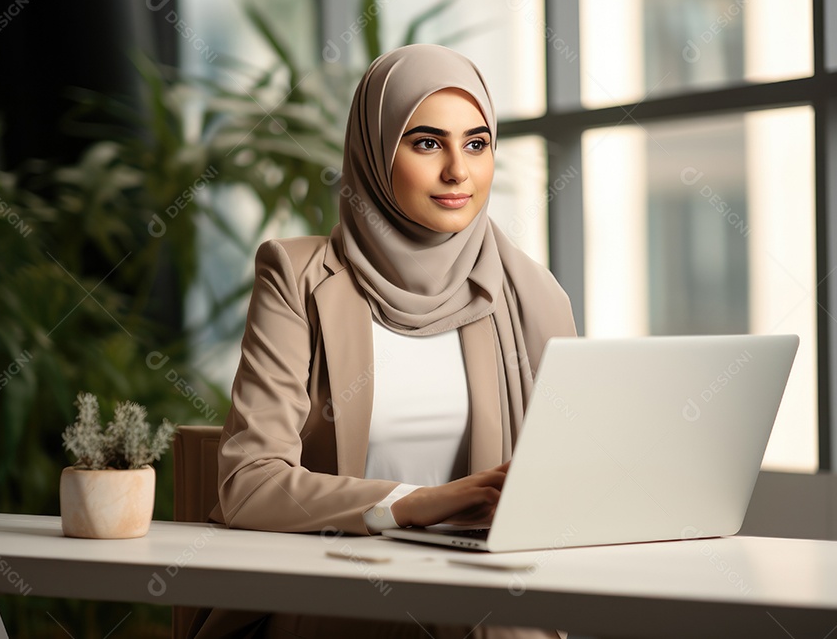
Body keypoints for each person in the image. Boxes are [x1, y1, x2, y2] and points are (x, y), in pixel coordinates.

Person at [191, 44, 576, 639]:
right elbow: (250, 484)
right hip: (331, 600)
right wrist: (412, 503)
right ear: (374, 151)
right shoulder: (298, 277)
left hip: (485, 608)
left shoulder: (533, 295)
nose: (459, 171)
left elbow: (572, 484)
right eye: (427, 143)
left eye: (476, 144)